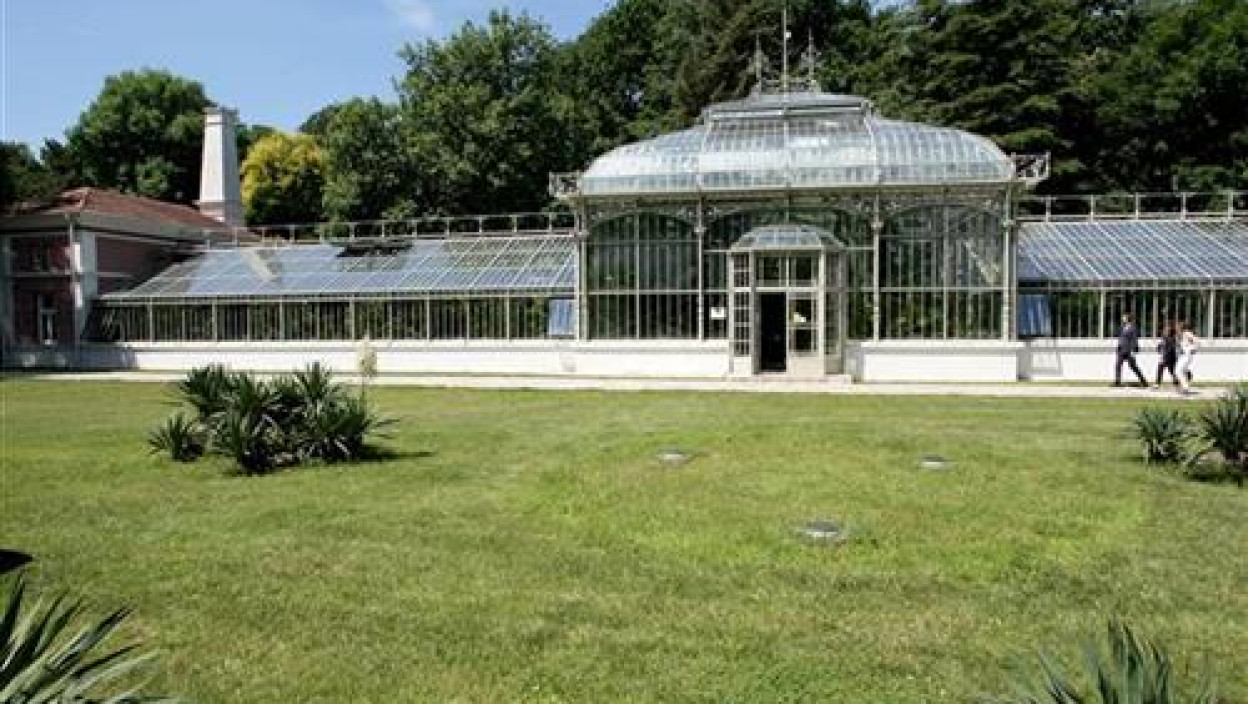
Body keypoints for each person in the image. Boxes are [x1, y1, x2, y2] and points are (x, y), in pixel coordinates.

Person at [1113, 313, 1148, 388]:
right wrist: (1118, 347)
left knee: (1133, 367)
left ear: (1128, 319)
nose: (1122, 319)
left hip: (1129, 350)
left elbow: (1134, 339)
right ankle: (1117, 382)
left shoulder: (1133, 328)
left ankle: (1144, 382)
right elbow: (1120, 338)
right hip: (1121, 350)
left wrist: (1133, 350)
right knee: (1118, 365)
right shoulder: (1122, 327)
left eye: (1124, 318)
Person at [1154, 322, 1181, 389]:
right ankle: (1176, 383)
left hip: (1169, 357)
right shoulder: (1165, 337)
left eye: (1166, 330)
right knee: (1171, 371)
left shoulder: (1171, 338)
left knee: (1161, 369)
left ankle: (1157, 383)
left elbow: (1170, 348)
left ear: (1170, 331)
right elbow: (1161, 345)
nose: (1164, 331)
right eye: (1165, 330)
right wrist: (1158, 348)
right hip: (1169, 356)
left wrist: (1163, 355)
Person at [1177, 319, 1199, 394]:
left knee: (1178, 371)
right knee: (1180, 370)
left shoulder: (1187, 333)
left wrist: (1193, 349)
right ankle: (1187, 376)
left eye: (1179, 327)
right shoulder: (1182, 335)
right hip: (1183, 355)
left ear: (1182, 327)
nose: (1177, 328)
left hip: (1187, 355)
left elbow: (1196, 341)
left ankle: (1185, 388)